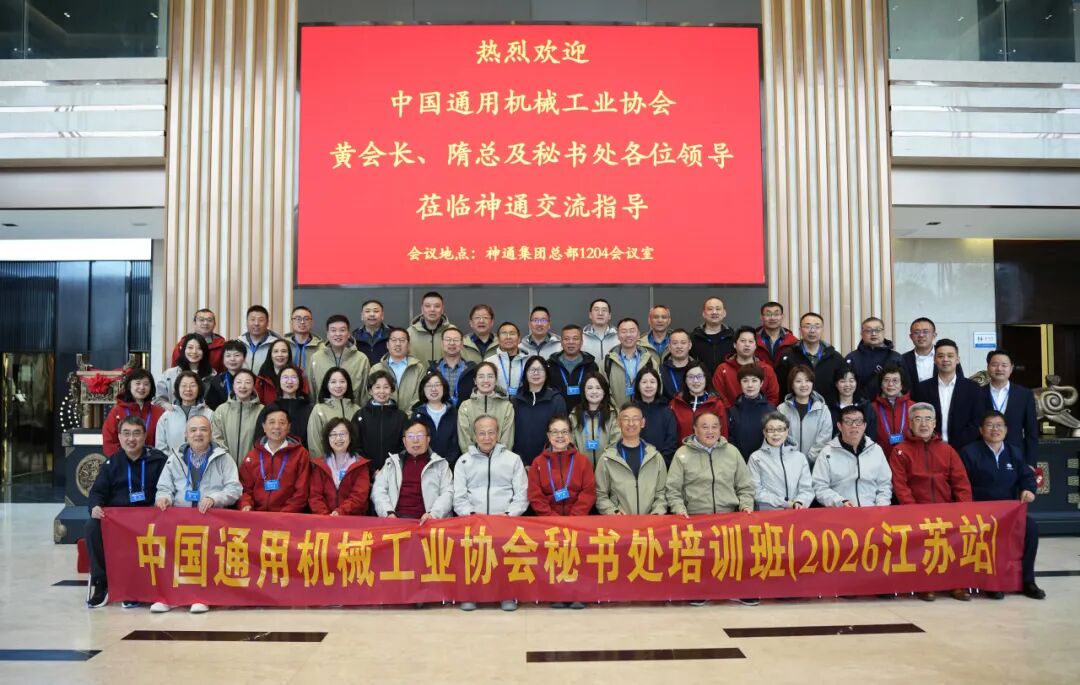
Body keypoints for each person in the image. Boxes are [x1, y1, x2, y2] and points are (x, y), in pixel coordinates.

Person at [153, 415, 241, 614]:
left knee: (205, 554)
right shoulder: (175, 458)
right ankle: (169, 597)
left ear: (211, 433)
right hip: (180, 519)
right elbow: (164, 487)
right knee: (168, 550)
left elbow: (234, 489)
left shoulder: (223, 458)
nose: (198, 434)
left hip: (211, 519)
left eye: (203, 430)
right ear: (186, 434)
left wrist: (214, 498)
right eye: (193, 430)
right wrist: (164, 497)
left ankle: (201, 597)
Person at [890, 402, 973, 602]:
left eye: (928, 419)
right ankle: (926, 585)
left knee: (956, 541)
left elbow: (961, 483)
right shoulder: (900, 451)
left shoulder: (947, 450)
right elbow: (900, 486)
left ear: (935, 423)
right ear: (910, 423)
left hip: (947, 510)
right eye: (918, 419)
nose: (923, 424)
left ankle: (956, 584)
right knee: (922, 546)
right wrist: (914, 511)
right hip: (916, 511)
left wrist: (962, 510)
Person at [960, 411, 1045, 600]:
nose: (995, 429)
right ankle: (992, 582)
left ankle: (1028, 581)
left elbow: (1027, 477)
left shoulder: (1014, 452)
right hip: (980, 512)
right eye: (990, 425)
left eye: (999, 425)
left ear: (1006, 430)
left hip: (1009, 512)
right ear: (981, 430)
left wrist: (1029, 489)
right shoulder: (969, 452)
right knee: (991, 534)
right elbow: (962, 484)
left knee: (1031, 528)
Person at [85, 416, 168, 609]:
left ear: (145, 436)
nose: (131, 439)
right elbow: (97, 492)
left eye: (137, 433)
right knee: (92, 526)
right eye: (126, 433)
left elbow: (168, 488)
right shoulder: (111, 464)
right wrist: (95, 506)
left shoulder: (158, 460)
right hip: (119, 522)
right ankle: (101, 583)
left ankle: (139, 588)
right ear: (120, 437)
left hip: (149, 520)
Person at [453, 415, 528, 612]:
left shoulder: (513, 460)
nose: (487, 438)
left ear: (498, 434)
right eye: (482, 433)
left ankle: (507, 594)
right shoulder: (463, 461)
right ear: (474, 435)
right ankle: (471, 595)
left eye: (491, 432)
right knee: (472, 558)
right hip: (473, 521)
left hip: (505, 521)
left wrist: (509, 515)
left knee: (506, 557)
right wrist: (471, 515)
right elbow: (459, 497)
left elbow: (522, 494)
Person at [666, 412, 754, 515]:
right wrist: (679, 510)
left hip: (728, 516)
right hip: (693, 517)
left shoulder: (732, 452)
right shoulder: (682, 454)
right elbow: (672, 489)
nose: (710, 431)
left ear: (720, 429)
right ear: (695, 430)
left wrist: (746, 506)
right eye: (705, 427)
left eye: (714, 427)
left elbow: (745, 486)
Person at [372, 419, 454, 521]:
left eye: (420, 436)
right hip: (396, 521)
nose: (415, 440)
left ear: (428, 439)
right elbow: (378, 491)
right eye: (410, 436)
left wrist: (433, 514)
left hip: (428, 521)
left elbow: (448, 493)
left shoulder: (441, 464)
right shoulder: (391, 463)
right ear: (404, 441)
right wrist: (388, 513)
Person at [812, 406, 893, 507]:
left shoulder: (876, 450)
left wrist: (881, 506)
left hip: (873, 510)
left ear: (864, 425)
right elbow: (819, 487)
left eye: (859, 421)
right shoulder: (827, 453)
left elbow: (885, 485)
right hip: (840, 510)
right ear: (839, 426)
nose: (854, 425)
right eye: (848, 422)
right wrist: (840, 502)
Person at [595, 402, 668, 515]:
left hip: (651, 522)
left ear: (642, 422)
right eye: (626, 419)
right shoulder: (607, 458)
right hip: (620, 522)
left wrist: (657, 513)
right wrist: (614, 512)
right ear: (619, 423)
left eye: (635, 419)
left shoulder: (655, 457)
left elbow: (661, 493)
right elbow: (600, 495)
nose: (631, 423)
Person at [238, 405, 311, 512]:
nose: (277, 427)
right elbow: (245, 489)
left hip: (287, 516)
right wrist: (246, 504)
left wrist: (283, 514)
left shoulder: (301, 454)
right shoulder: (252, 456)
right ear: (264, 427)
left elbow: (302, 492)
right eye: (272, 422)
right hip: (256, 515)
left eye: (282, 423)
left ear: (289, 427)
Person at [914, 339, 982, 450]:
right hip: (930, 447)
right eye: (940, 356)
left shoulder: (973, 388)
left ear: (957, 359)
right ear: (934, 360)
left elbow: (977, 421)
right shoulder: (922, 388)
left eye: (950, 356)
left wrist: (956, 446)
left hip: (964, 449)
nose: (945, 359)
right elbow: (917, 418)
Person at [528, 415, 596, 516]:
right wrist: (552, 518)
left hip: (578, 519)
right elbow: (535, 496)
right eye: (555, 432)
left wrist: (574, 517)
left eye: (564, 432)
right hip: (547, 520)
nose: (560, 436)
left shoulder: (583, 461)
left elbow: (588, 493)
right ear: (548, 435)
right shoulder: (538, 463)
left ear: (570, 434)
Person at [980, 349, 1039, 466]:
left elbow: (1031, 431)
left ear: (1011, 368)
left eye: (1004, 365)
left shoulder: (1024, 394)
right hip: (983, 455)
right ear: (988, 367)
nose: (999, 369)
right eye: (995, 365)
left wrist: (1031, 463)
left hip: (1016, 456)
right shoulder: (978, 393)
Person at [775, 312, 846, 404]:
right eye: (807, 326)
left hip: (827, 408)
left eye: (817, 326)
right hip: (795, 408)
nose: (812, 330)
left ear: (822, 330)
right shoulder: (788, 355)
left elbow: (842, 386)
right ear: (800, 330)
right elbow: (780, 386)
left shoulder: (835, 357)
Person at [747, 412, 813, 510]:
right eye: (771, 430)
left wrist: (800, 502)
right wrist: (786, 504)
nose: (776, 434)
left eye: (780, 429)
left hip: (797, 512)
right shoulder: (756, 458)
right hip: (768, 515)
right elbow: (756, 491)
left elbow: (807, 488)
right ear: (764, 432)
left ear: (787, 431)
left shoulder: (800, 457)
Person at [511, 356, 568, 465]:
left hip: (549, 462)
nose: (536, 373)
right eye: (532, 370)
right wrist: (522, 463)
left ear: (546, 373)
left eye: (540, 369)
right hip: (519, 463)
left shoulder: (556, 400)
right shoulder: (516, 401)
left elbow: (560, 434)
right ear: (525, 374)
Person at [308, 418, 371, 516]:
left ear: (350, 437)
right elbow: (315, 496)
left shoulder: (360, 465)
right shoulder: (320, 465)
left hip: (353, 519)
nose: (338, 438)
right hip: (324, 519)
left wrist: (340, 512)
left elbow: (359, 496)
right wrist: (325, 516)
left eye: (342, 434)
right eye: (333, 434)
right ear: (327, 438)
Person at [307, 314, 371, 405]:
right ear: (327, 334)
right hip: (323, 411)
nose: (338, 334)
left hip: (352, 411)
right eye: (333, 330)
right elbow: (312, 391)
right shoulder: (316, 358)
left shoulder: (361, 359)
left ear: (348, 334)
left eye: (342, 330)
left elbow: (365, 394)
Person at [352, 370, 407, 475]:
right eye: (377, 387)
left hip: (394, 472)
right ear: (370, 391)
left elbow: (405, 447)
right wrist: (371, 469)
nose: (382, 391)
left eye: (386, 387)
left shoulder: (401, 417)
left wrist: (391, 468)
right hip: (365, 473)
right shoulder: (360, 415)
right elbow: (355, 446)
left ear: (391, 390)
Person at [712, 325, 781, 408]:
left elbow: (773, 397)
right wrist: (733, 413)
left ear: (755, 346)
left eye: (751, 341)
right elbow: (719, 396)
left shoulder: (766, 369)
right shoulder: (722, 369)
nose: (747, 345)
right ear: (734, 344)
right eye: (743, 341)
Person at [776, 365, 832, 464]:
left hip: (815, 465)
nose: (804, 385)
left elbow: (824, 440)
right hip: (789, 464)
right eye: (798, 381)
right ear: (792, 385)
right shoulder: (782, 410)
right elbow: (779, 438)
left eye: (807, 380)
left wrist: (807, 461)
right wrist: (794, 460)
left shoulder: (823, 410)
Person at [102, 369, 164, 456]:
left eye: (146, 384)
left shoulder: (159, 412)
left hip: (152, 461)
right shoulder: (117, 411)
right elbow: (109, 441)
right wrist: (123, 459)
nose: (142, 387)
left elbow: (164, 442)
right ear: (129, 385)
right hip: (123, 461)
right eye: (138, 383)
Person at [457, 361, 515, 452]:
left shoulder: (507, 407)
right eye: (481, 376)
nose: (486, 380)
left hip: (501, 458)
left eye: (490, 376)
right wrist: (475, 457)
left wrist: (498, 458)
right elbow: (465, 442)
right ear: (475, 381)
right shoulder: (465, 407)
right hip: (472, 459)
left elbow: (507, 441)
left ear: (496, 380)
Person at [210, 369, 262, 466]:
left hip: (253, 466)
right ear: (233, 385)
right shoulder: (221, 410)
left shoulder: (262, 411)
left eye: (248, 382)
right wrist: (227, 461)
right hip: (225, 466)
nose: (243, 386)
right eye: (239, 382)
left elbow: (263, 441)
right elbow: (216, 439)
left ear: (253, 386)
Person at [409, 370, 462, 469]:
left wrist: (447, 464)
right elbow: (414, 444)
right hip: (424, 467)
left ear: (444, 387)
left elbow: (456, 444)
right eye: (429, 386)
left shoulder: (453, 412)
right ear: (423, 389)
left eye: (437, 385)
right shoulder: (417, 414)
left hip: (450, 467)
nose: (433, 389)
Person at [155, 371, 214, 457]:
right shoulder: (166, 416)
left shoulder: (209, 414)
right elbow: (161, 447)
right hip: (173, 463)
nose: (188, 389)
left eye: (193, 385)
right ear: (177, 389)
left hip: (204, 463)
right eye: (184, 385)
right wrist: (174, 462)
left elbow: (214, 443)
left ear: (199, 388)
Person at [604, 317, 661, 408]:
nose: (628, 335)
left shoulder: (650, 361)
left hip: (644, 413)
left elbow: (658, 388)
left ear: (638, 335)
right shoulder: (607, 362)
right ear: (618, 335)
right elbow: (603, 392)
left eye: (632, 331)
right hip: (618, 414)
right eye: (623, 331)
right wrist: (616, 412)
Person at [253, 364, 313, 448]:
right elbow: (259, 439)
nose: (289, 381)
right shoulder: (269, 409)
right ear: (279, 382)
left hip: (303, 454)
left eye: (294, 377)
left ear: (300, 381)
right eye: (285, 378)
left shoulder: (309, 409)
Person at [306, 367, 360, 458]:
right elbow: (314, 442)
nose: (338, 385)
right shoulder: (319, 409)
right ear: (326, 384)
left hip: (354, 462)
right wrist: (321, 464)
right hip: (327, 463)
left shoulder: (357, 409)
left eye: (342, 381)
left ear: (348, 384)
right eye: (333, 382)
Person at [726, 365, 778, 459]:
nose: (750, 385)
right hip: (740, 461)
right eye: (745, 381)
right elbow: (730, 439)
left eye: (754, 380)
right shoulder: (733, 411)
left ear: (761, 383)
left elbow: (776, 438)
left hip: (765, 462)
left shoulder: (771, 410)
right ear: (740, 383)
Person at [845, 317, 902, 400]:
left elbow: (904, 386)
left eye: (878, 330)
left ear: (884, 332)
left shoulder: (896, 357)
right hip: (860, 405)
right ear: (861, 333)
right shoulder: (852, 358)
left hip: (888, 405)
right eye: (868, 331)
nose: (874, 333)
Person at [570, 373, 620, 467]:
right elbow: (571, 443)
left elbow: (616, 442)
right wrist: (580, 463)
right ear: (583, 391)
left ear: (604, 391)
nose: (594, 391)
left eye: (598, 388)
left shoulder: (614, 414)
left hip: (607, 467)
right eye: (589, 388)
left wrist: (605, 462)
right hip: (581, 468)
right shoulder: (574, 415)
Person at [669, 360, 726, 442]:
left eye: (699, 376)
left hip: (710, 449)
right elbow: (671, 436)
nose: (695, 381)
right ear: (685, 380)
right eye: (691, 377)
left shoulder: (717, 405)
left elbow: (723, 436)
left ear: (706, 378)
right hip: (683, 449)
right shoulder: (675, 404)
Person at [547, 324, 599, 411]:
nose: (571, 342)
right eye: (566, 339)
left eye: (575, 338)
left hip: (584, 414)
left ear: (581, 342)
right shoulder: (550, 365)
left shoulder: (591, 365)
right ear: (561, 342)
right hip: (557, 414)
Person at [370, 327, 425, 408]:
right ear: (387, 345)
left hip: (412, 415)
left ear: (408, 345)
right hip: (383, 414)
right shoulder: (376, 369)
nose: (398, 344)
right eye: (394, 340)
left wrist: (408, 414)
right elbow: (371, 395)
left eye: (402, 340)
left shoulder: (418, 368)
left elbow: (419, 396)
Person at [633, 366, 678, 463]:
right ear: (638, 385)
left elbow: (671, 442)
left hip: (661, 464)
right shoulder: (631, 410)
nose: (648, 385)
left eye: (652, 382)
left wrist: (660, 463)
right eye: (644, 382)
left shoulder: (666, 411)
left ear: (658, 385)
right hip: (635, 463)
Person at [157, 333, 215, 404]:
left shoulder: (212, 376)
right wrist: (167, 406)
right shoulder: (169, 374)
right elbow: (158, 399)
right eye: (190, 347)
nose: (194, 351)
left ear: (204, 352)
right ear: (184, 349)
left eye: (199, 348)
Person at [869, 364, 912, 455]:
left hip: (908, 458)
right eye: (886, 380)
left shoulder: (913, 407)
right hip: (880, 457)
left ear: (901, 385)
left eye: (895, 380)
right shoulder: (871, 408)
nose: (891, 384)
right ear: (881, 384)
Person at [827, 367, 878, 440]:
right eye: (843, 381)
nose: (847, 385)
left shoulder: (865, 407)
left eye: (851, 381)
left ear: (856, 383)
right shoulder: (829, 409)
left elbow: (871, 434)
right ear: (836, 384)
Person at [169, 308, 226, 373]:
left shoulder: (222, 345)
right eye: (201, 320)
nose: (205, 323)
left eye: (209, 320)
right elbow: (175, 371)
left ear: (214, 324)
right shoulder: (182, 345)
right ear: (194, 323)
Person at [690, 297, 735, 376]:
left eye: (718, 309)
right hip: (701, 381)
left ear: (724, 313)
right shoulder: (694, 337)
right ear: (704, 313)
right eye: (710, 309)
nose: (714, 312)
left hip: (726, 381)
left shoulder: (733, 337)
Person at [432, 326, 476, 407]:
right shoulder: (433, 370)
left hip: (466, 413)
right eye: (448, 339)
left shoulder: (472, 370)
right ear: (442, 343)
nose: (452, 343)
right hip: (439, 413)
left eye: (456, 340)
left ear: (462, 344)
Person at [408, 291, 452, 365]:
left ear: (442, 309)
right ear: (422, 309)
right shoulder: (409, 333)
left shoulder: (452, 331)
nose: (432, 309)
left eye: (437, 306)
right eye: (428, 306)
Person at [486, 321, 528, 397]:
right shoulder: (489, 362)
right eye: (504, 333)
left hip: (523, 403)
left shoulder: (528, 361)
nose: (508, 337)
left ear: (519, 339)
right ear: (498, 339)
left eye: (512, 333)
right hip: (497, 403)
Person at [204, 339, 248, 410]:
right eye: (228, 355)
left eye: (237, 355)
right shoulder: (217, 381)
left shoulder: (251, 379)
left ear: (244, 358)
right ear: (223, 359)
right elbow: (211, 406)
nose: (232, 359)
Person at [254, 338, 298, 405]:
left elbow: (304, 398)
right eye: (276, 351)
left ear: (289, 354)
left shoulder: (298, 374)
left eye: (284, 351)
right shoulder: (262, 377)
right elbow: (257, 402)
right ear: (270, 354)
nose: (280, 355)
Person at [755, 301, 798, 368]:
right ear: (761, 317)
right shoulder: (752, 340)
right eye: (768, 314)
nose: (772, 318)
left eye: (776, 314)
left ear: (782, 317)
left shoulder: (793, 342)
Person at [238, 304, 279, 371]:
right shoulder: (238, 343)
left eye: (261, 320)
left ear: (267, 323)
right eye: (252, 319)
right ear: (247, 322)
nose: (256, 323)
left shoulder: (276, 344)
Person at [901, 317, 941, 385]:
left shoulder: (946, 357)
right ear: (911, 337)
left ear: (934, 335)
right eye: (916, 332)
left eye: (925, 332)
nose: (921, 335)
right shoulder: (902, 359)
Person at [660, 328, 695, 401]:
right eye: (675, 343)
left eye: (683, 343)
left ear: (690, 345)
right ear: (669, 347)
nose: (679, 346)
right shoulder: (661, 371)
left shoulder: (698, 369)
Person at [353, 299, 391, 365]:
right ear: (362, 316)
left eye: (376, 311)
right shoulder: (353, 337)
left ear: (382, 315)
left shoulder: (393, 335)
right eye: (367, 311)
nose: (372, 314)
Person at [285, 305, 322, 369]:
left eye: (306, 319)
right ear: (291, 322)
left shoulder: (321, 348)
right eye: (298, 319)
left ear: (312, 322)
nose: (302, 322)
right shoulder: (283, 345)